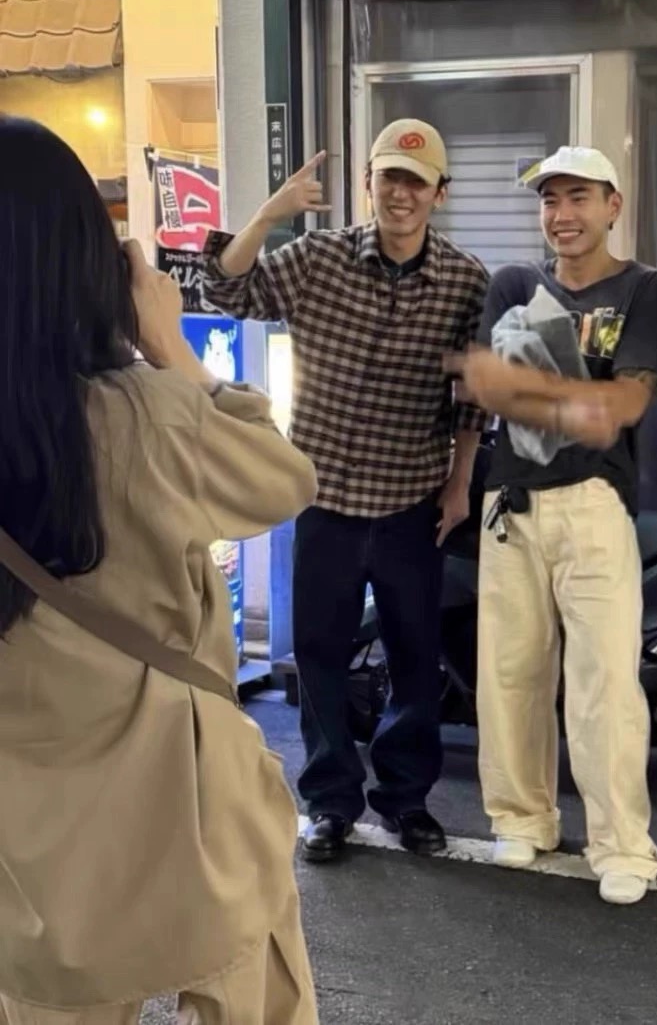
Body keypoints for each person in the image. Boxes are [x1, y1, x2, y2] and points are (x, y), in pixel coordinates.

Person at [0, 117, 319, 1023]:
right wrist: (169, 345)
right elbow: (283, 480)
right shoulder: (143, 413)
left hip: (28, 840)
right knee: (243, 984)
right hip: (183, 797)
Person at [203, 119, 489, 862]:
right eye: (389, 177)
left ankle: (406, 800)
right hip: (322, 496)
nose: (401, 194)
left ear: (439, 194)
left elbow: (470, 397)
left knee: (414, 656)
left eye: (416, 182)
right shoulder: (318, 257)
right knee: (321, 656)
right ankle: (331, 803)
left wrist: (460, 482)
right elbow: (227, 288)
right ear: (368, 183)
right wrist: (271, 213)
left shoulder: (465, 280)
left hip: (411, 500)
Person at [448, 146, 657, 905]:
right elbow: (491, 395)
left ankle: (622, 846)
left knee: (605, 680)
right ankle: (522, 817)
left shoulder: (646, 289)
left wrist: (524, 387)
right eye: (550, 200)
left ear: (613, 205)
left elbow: (627, 406)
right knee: (510, 673)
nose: (562, 214)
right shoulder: (515, 284)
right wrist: (575, 402)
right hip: (510, 502)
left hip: (595, 502)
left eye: (578, 197)